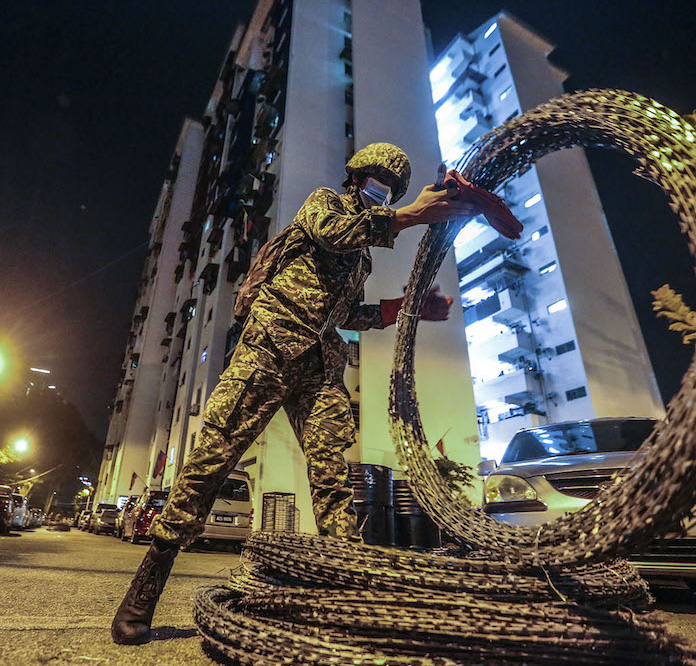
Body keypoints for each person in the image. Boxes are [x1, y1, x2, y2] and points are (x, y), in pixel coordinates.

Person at [112, 143, 484, 645]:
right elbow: (333, 235)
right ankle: (145, 589)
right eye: (378, 180)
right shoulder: (324, 205)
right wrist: (411, 214)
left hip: (317, 366)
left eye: (392, 187)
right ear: (357, 177)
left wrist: (406, 307)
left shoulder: (362, 262)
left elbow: (346, 315)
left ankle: (346, 592)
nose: (385, 190)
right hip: (269, 348)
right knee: (212, 461)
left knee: (332, 473)